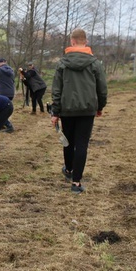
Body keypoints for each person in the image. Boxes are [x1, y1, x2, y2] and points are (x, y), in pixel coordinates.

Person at [50, 28, 108, 193]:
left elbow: (56, 90)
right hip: (87, 110)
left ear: (72, 41)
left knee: (68, 142)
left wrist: (55, 112)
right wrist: (100, 107)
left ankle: (68, 170)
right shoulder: (95, 64)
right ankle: (76, 183)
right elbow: (102, 89)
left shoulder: (62, 63)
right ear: (86, 42)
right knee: (82, 144)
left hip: (67, 109)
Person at [0, 57, 15, 132]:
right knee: (3, 109)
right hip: (11, 93)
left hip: (3, 93)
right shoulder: (11, 70)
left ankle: (9, 126)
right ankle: (1, 124)